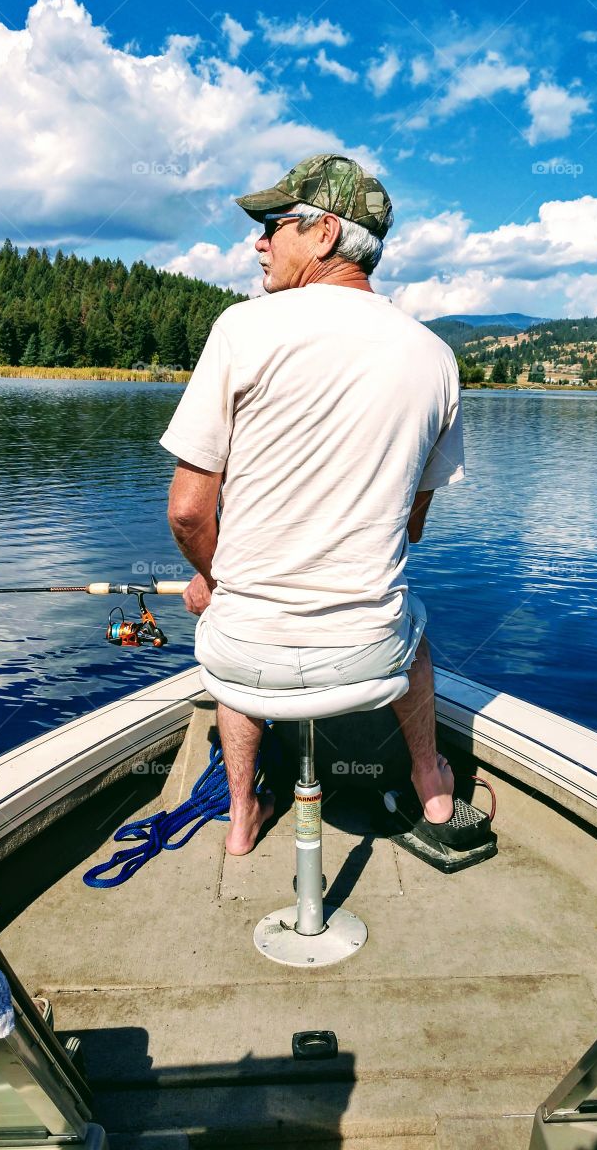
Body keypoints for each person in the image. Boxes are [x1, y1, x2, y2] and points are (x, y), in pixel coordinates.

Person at [160, 153, 464, 855]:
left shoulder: (242, 328)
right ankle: (432, 783)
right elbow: (410, 528)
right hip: (367, 655)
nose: (258, 243)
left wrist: (216, 576)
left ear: (324, 233)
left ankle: (241, 816)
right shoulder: (436, 357)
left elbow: (186, 512)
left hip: (246, 654)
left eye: (273, 226)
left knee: (237, 617)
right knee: (411, 618)